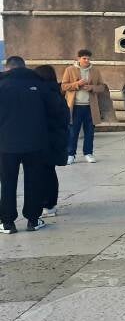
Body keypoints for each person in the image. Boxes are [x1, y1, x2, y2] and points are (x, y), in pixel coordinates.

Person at [1, 56, 64, 234]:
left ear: (8, 68)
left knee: (7, 183)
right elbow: (56, 110)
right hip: (36, 143)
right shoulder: (40, 85)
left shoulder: (2, 86)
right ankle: (33, 220)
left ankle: (7, 223)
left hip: (6, 144)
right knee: (33, 181)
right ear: (24, 67)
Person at [34, 65, 70, 219]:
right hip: (57, 138)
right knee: (49, 171)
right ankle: (50, 204)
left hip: (46, 139)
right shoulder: (55, 91)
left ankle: (48, 204)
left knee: (44, 173)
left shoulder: (43, 93)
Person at [61, 49, 104, 164]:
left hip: (90, 106)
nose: (87, 60)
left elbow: (102, 87)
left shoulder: (95, 71)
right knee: (73, 132)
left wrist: (92, 88)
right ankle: (71, 154)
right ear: (78, 58)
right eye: (84, 58)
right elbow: (64, 86)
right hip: (75, 106)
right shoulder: (70, 70)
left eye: (88, 58)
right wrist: (77, 84)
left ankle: (88, 153)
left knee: (89, 132)